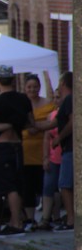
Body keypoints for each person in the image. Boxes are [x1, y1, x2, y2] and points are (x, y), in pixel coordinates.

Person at [0, 66, 35, 236]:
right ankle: (19, 219)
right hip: (18, 145)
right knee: (18, 183)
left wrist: (7, 124)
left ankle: (15, 222)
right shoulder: (23, 99)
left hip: (2, 146)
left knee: (9, 185)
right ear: (13, 80)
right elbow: (30, 123)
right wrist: (15, 123)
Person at [22, 74, 55, 226]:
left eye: (35, 86)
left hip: (44, 149)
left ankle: (49, 217)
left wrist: (36, 126)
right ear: (25, 88)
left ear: (39, 87)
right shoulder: (21, 104)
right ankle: (30, 219)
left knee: (45, 185)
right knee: (28, 186)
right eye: (29, 87)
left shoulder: (48, 104)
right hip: (26, 151)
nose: (32, 89)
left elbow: (53, 122)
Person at [54, 72, 74, 232]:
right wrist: (35, 125)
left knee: (65, 184)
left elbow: (73, 122)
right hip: (71, 148)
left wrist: (58, 138)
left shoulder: (69, 99)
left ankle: (71, 220)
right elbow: (55, 122)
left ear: (63, 84)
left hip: (70, 148)